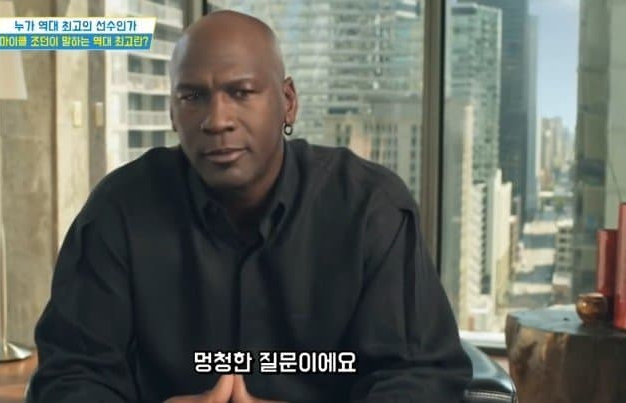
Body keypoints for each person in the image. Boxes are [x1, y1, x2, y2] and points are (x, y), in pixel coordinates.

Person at [31, 10, 472, 403]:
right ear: (172, 113)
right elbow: (70, 376)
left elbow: (421, 378)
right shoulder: (119, 210)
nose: (217, 120)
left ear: (288, 102)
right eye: (192, 97)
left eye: (241, 92)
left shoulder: (369, 208)